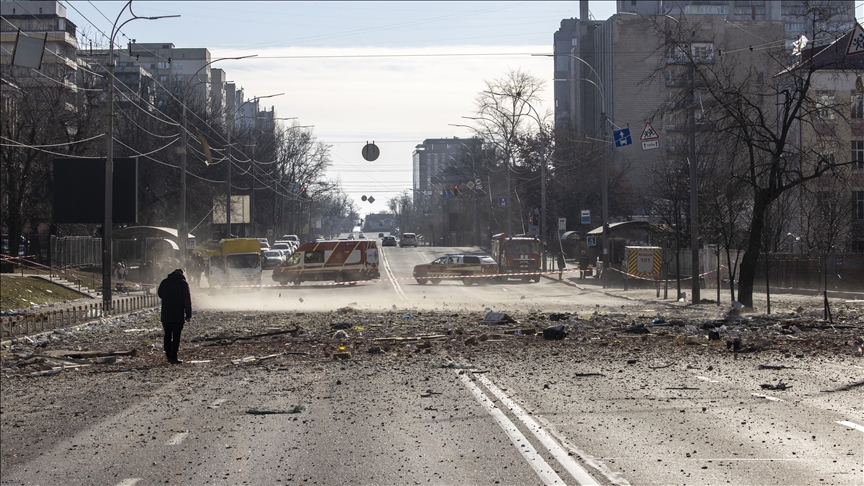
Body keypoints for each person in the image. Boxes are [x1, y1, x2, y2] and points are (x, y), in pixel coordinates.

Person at [157, 268, 192, 364]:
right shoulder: (183, 283)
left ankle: (168, 354)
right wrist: (188, 315)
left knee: (167, 334)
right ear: (182, 274)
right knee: (176, 336)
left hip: (166, 314)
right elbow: (187, 300)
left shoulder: (164, 282)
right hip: (178, 315)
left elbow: (160, 294)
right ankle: (173, 356)